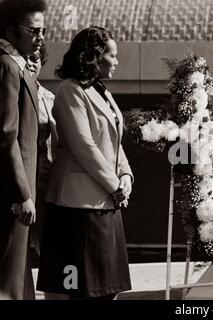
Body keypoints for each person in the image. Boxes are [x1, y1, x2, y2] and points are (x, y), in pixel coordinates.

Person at [37, 26, 133, 300]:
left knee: (106, 291)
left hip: (106, 203)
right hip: (77, 209)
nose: (116, 61)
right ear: (94, 56)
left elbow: (114, 142)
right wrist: (115, 185)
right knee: (80, 291)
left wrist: (126, 175)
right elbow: (84, 146)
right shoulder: (70, 91)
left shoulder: (102, 91)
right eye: (112, 55)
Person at [0, 0, 47, 300]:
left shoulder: (18, 65)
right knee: (8, 281)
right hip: (13, 195)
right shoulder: (7, 65)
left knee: (17, 279)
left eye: (44, 30)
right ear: (11, 31)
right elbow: (7, 135)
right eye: (34, 30)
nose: (41, 37)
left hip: (19, 192)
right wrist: (22, 194)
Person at [26, 43, 58, 257]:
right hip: (21, 179)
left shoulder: (50, 97)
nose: (31, 63)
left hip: (46, 181)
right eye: (27, 58)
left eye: (36, 59)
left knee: (48, 244)